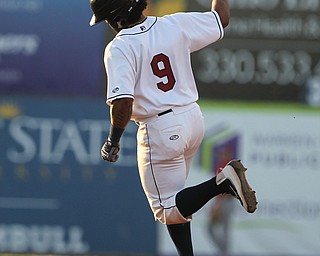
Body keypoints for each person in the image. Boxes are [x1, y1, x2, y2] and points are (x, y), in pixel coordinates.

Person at [89, 0, 257, 255]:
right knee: (177, 202)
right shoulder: (172, 24)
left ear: (115, 15)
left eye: (106, 18)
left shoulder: (120, 46)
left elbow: (123, 103)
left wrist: (113, 140)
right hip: (191, 118)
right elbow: (220, 18)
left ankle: (222, 182)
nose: (108, 24)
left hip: (160, 128)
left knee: (166, 208)